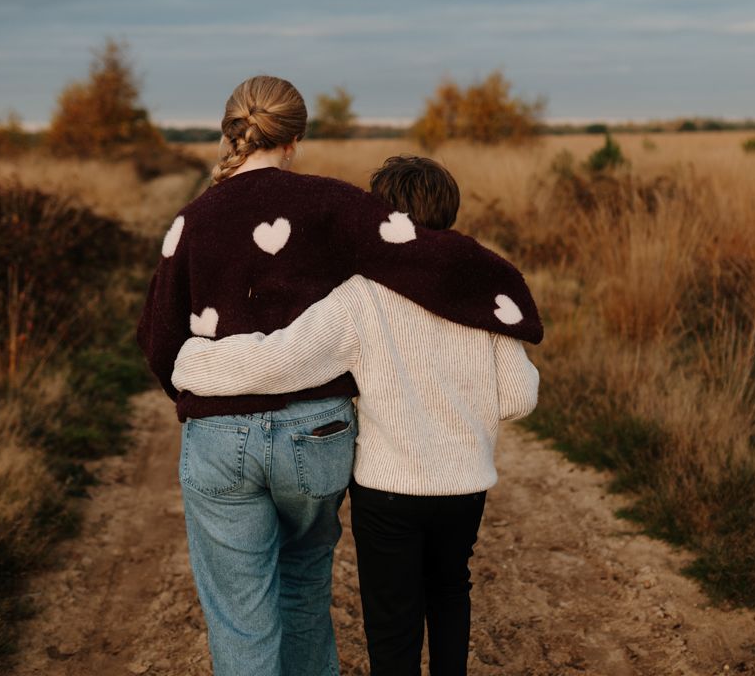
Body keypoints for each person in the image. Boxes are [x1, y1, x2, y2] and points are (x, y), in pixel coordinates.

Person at [136, 78, 542, 676]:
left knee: (241, 613)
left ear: (230, 131)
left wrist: (192, 375)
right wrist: (493, 286)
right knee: (305, 587)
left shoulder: (192, 221)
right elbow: (421, 249)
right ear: (295, 138)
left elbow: (163, 339)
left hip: (221, 436)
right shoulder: (333, 204)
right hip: (317, 436)